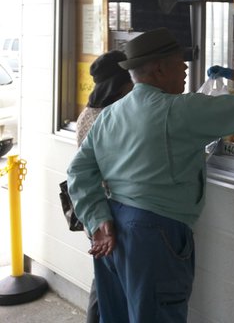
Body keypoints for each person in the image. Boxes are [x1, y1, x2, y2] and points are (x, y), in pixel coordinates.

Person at [67, 28, 234, 323]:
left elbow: (79, 169)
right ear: (159, 68)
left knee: (114, 316)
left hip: (113, 226)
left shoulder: (111, 113)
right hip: (155, 233)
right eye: (181, 62)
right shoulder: (178, 109)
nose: (186, 68)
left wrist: (96, 215)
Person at [74, 50, 134, 323]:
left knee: (104, 281)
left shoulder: (88, 112)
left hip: (93, 208)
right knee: (111, 287)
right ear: (121, 83)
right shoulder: (114, 115)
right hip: (110, 211)